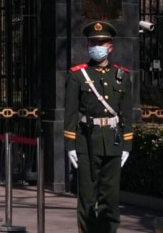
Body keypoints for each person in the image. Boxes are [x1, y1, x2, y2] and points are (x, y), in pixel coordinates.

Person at [64, 20, 133, 233]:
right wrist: (70, 144)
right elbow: (70, 113)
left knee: (110, 199)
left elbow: (127, 113)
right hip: (86, 142)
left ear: (111, 47)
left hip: (113, 143)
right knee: (87, 197)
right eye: (94, 42)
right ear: (87, 45)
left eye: (102, 43)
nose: (98, 46)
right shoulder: (78, 75)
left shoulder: (122, 76)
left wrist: (127, 145)